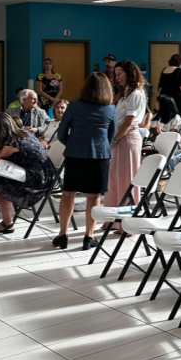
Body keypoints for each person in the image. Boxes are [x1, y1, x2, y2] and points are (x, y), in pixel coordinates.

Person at [53, 73, 116, 250]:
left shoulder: (73, 105)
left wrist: (73, 143)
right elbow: (110, 137)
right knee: (93, 197)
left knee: (68, 194)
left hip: (75, 154)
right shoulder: (110, 109)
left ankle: (62, 235)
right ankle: (88, 237)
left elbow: (61, 133)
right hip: (100, 156)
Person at [103, 60, 146, 233]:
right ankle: (112, 218)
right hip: (119, 136)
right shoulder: (126, 92)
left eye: (121, 73)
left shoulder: (136, 93)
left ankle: (126, 224)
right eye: (117, 74)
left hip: (127, 138)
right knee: (113, 179)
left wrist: (114, 140)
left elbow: (128, 121)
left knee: (126, 180)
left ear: (130, 74)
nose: (117, 77)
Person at [157, 53, 181, 120]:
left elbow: (159, 88)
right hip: (176, 97)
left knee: (166, 116)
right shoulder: (179, 70)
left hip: (165, 97)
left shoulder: (164, 70)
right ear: (180, 62)